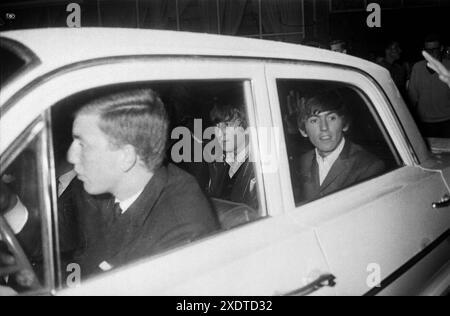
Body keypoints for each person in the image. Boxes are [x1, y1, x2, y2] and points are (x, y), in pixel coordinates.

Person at [9, 88, 220, 278]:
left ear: (126, 157)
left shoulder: (183, 229)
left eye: (83, 144)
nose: (71, 156)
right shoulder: (94, 189)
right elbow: (50, 238)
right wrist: (8, 204)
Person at [294, 90, 385, 202]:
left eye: (331, 118)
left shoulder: (369, 167)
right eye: (314, 120)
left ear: (344, 124)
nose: (324, 127)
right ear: (303, 131)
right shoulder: (300, 163)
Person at [207, 104, 258, 210]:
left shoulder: (259, 170)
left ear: (247, 127)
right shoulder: (217, 163)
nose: (220, 133)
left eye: (227, 124)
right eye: (217, 126)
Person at [408, 35, 450, 138]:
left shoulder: (448, 66)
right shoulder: (417, 67)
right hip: (424, 122)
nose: (431, 53)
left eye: (434, 49)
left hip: (447, 121)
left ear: (441, 48)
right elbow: (412, 96)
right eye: (428, 50)